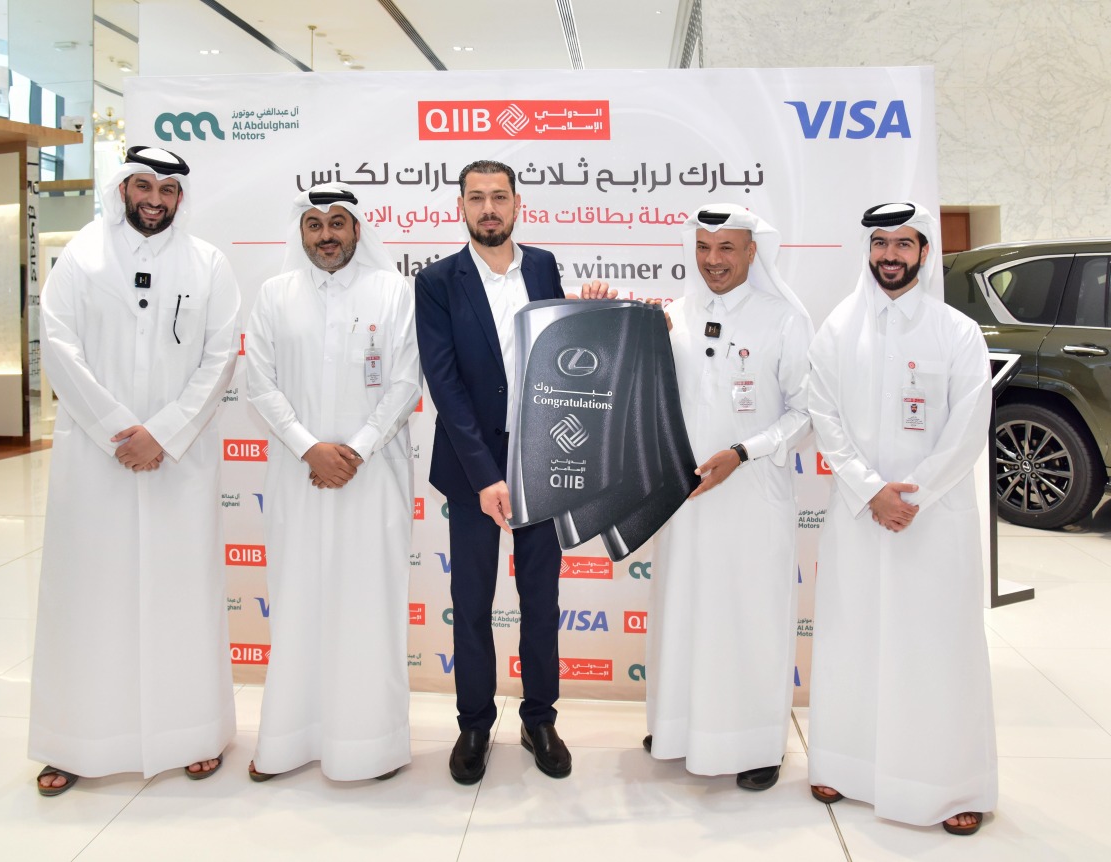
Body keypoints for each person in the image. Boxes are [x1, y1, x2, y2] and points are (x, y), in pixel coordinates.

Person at [30, 146, 241, 796]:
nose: (155, 198)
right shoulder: (80, 260)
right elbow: (57, 346)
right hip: (97, 461)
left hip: (178, 462)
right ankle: (75, 741)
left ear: (181, 198)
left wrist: (164, 435)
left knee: (183, 596)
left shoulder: (209, 265)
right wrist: (119, 430)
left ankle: (195, 734)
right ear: (124, 188)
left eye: (168, 189)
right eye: (143, 185)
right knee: (87, 598)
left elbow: (220, 358)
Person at [415, 160, 611, 784]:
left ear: (517, 203)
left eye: (499, 197)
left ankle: (539, 718)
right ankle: (474, 724)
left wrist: (595, 317)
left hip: (541, 460)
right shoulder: (437, 281)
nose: (489, 208)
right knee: (470, 601)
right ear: (461, 208)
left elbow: (561, 356)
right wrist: (484, 475)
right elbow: (444, 385)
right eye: (478, 198)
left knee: (540, 599)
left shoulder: (545, 266)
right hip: (472, 466)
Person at [807, 201, 996, 835]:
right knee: (853, 638)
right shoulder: (837, 329)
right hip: (861, 517)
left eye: (903, 244)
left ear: (924, 252)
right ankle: (844, 763)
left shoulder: (956, 331)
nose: (890, 255)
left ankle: (951, 785)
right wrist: (870, 491)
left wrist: (911, 497)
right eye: (880, 243)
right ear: (868, 250)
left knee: (935, 648)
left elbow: (970, 425)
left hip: (931, 522)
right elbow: (824, 417)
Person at [244, 184, 421, 783]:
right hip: (298, 477)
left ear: (357, 229)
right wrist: (309, 449)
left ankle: (369, 746)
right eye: (315, 224)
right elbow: (258, 383)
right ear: (301, 232)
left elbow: (405, 380)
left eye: (338, 223)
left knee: (369, 607)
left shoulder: (393, 291)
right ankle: (288, 742)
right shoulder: (274, 295)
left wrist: (355, 451)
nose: (326, 235)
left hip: (374, 478)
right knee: (297, 603)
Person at [645, 204, 812, 791]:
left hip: (752, 495)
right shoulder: (673, 316)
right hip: (686, 497)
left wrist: (742, 452)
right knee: (685, 606)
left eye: (727, 249)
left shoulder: (785, 320)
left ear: (751, 253)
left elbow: (805, 412)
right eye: (704, 247)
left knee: (749, 613)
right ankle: (678, 726)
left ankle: (756, 742)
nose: (713, 261)